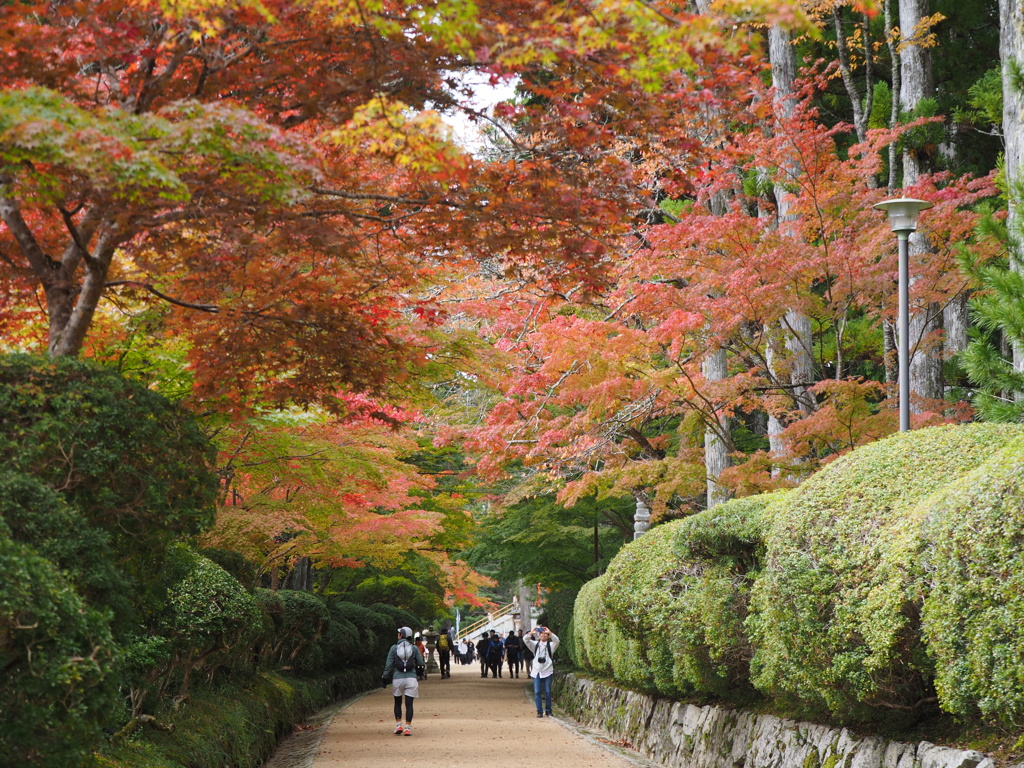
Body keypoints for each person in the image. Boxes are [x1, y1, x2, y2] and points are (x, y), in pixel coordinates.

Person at [381, 627, 425, 736]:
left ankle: (398, 725)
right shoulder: (414, 648)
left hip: (398, 678)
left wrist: (384, 677)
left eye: (399, 633)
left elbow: (388, 664)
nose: (398, 634)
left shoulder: (394, 648)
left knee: (397, 702)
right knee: (409, 705)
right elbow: (420, 662)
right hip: (411, 678)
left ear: (401, 635)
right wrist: (420, 673)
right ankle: (407, 728)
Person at [523, 625, 559, 717]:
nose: (543, 635)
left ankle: (548, 710)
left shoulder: (551, 645)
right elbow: (525, 640)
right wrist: (531, 633)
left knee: (548, 692)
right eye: (541, 633)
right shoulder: (535, 644)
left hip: (548, 671)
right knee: (537, 692)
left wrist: (550, 633)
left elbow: (557, 641)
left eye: (545, 634)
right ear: (539, 635)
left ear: (548, 636)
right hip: (537, 671)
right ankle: (539, 711)